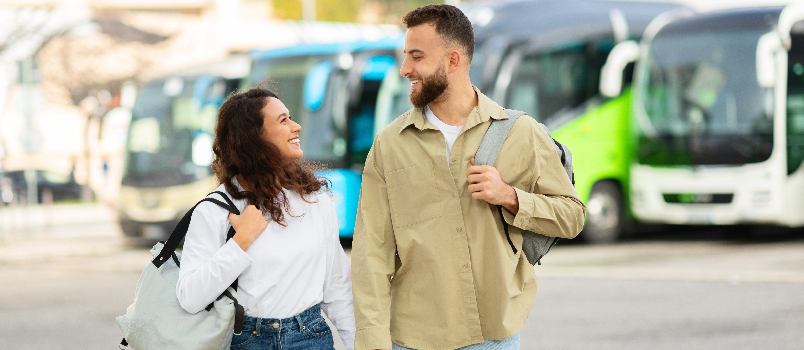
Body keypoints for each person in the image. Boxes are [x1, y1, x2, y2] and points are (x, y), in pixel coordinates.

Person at [351, 4, 586, 350]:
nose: (404, 69)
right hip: (413, 338)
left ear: (453, 60)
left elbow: (573, 216)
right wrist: (372, 342)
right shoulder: (389, 144)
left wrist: (510, 196)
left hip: (492, 336)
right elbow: (371, 253)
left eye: (416, 57)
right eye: (405, 56)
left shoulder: (520, 132)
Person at [176, 86, 355, 350]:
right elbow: (190, 297)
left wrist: (357, 342)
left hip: (310, 337)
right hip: (246, 340)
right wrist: (240, 244)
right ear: (253, 138)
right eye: (283, 120)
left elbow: (336, 288)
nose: (297, 127)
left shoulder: (314, 199)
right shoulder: (217, 208)